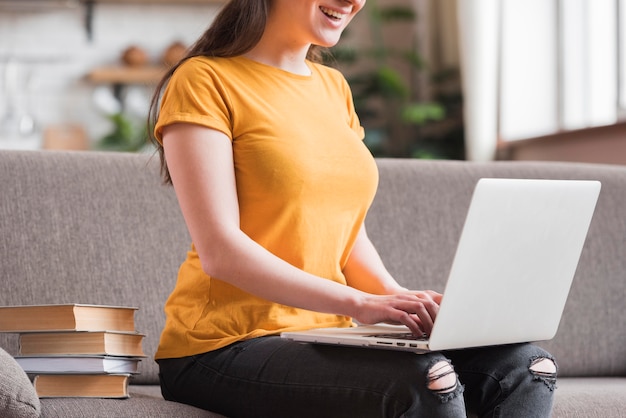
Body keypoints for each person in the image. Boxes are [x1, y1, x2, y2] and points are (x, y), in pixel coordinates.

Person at [148, 1, 558, 416]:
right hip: (221, 346)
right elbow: (222, 252)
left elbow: (345, 232)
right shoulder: (203, 79)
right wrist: (358, 305)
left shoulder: (332, 87)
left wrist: (397, 298)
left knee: (525, 368)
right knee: (425, 380)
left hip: (323, 335)